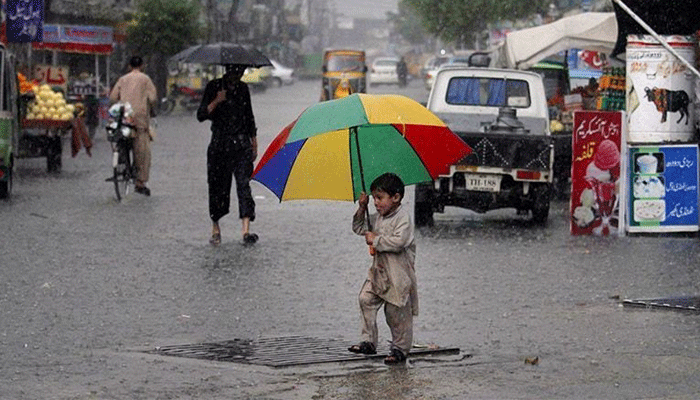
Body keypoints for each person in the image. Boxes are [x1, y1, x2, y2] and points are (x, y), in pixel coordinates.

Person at [348, 173, 418, 365]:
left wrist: (376, 240)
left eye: (380, 198)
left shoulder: (403, 218)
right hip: (379, 272)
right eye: (374, 199)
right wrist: (362, 207)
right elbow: (359, 227)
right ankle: (368, 340)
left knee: (396, 313)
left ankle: (400, 348)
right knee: (366, 299)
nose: (376, 203)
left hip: (398, 275)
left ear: (396, 197)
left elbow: (399, 242)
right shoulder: (377, 217)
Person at [197, 64, 259, 246]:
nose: (238, 75)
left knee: (244, 185)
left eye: (241, 72)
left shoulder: (243, 89)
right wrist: (216, 101)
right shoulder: (214, 87)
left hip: (241, 146)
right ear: (228, 71)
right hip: (219, 145)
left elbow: (249, 117)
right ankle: (216, 228)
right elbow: (200, 115)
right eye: (236, 72)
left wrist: (254, 142)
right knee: (218, 187)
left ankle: (246, 231)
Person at [109, 56, 157, 196]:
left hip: (124, 118)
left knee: (122, 140)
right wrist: (151, 109)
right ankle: (140, 183)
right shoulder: (146, 79)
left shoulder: (122, 79)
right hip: (140, 120)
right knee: (142, 152)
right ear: (142, 65)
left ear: (130, 66)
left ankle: (123, 164)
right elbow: (153, 99)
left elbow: (112, 98)